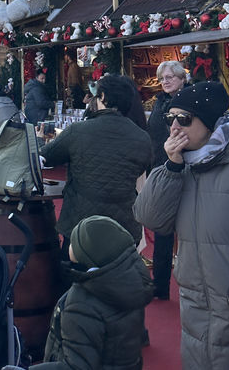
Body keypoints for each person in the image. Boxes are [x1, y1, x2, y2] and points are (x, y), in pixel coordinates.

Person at [134, 81, 229, 370]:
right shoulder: (183, 166)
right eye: (171, 118)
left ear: (209, 121)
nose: (174, 127)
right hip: (195, 303)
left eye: (184, 119)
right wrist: (171, 166)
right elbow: (150, 218)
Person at [41, 74, 152, 258]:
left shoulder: (79, 130)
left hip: (80, 221)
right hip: (123, 224)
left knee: (74, 275)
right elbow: (141, 167)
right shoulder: (142, 137)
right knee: (117, 277)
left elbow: (46, 157)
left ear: (103, 97)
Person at [38, 216, 154, 370]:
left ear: (88, 254)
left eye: (73, 242)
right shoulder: (129, 285)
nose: (69, 245)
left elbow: (77, 366)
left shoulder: (80, 303)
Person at [146, 60, 187, 300]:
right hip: (160, 169)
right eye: (162, 78)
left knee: (186, 228)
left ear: (182, 78)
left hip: (182, 169)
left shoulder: (188, 101)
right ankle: (160, 284)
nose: (166, 81)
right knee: (162, 229)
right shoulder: (160, 102)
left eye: (171, 76)